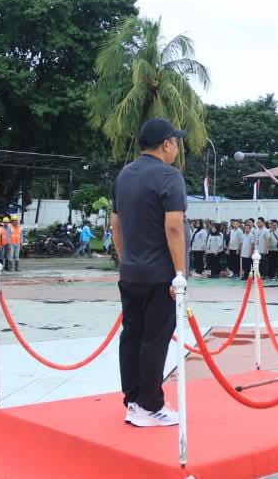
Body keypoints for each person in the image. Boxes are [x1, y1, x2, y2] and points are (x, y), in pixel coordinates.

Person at [110, 117, 188, 427]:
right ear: (166, 144)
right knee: (155, 339)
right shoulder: (170, 177)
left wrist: (125, 258)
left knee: (131, 336)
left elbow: (116, 224)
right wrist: (179, 272)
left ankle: (133, 401)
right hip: (160, 275)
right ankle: (151, 405)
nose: (177, 149)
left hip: (130, 272)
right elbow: (173, 226)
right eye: (175, 143)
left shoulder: (124, 175)